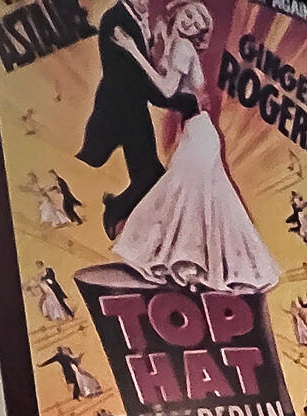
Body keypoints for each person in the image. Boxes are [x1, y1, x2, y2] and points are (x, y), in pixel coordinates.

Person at [110, 2, 282, 293]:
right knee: (197, 197)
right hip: (196, 133)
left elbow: (165, 90)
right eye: (189, 15)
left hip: (200, 134)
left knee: (185, 194)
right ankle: (190, 266)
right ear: (179, 12)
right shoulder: (174, 45)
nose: (191, 23)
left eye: (198, 22)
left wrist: (131, 49)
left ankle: (189, 266)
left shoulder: (183, 50)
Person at [77, 0, 192, 238]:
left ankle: (128, 218)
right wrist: (171, 100)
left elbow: (145, 69)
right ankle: (118, 211)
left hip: (133, 106)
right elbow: (128, 77)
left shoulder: (143, 18)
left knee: (150, 176)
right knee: (148, 176)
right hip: (121, 108)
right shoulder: (115, 20)